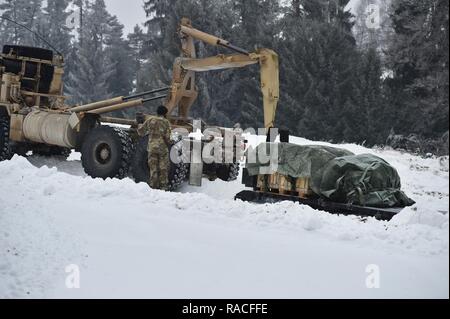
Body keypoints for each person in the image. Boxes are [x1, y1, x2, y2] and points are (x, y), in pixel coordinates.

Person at [137, 106, 172, 190]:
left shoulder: (150, 120)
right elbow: (168, 137)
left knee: (153, 168)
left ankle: (153, 185)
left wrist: (139, 124)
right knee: (163, 167)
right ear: (165, 113)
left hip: (151, 147)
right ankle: (163, 186)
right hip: (162, 148)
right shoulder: (166, 122)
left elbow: (141, 132)